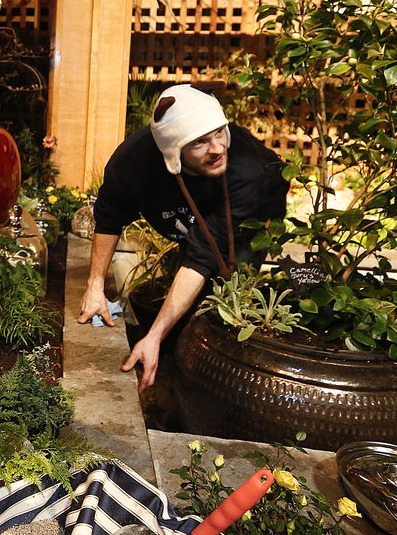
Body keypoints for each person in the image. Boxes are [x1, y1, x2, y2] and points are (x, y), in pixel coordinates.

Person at [77, 84, 287, 390]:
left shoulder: (247, 170)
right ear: (173, 151)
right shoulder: (132, 163)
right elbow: (109, 218)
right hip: (188, 210)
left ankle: (216, 375)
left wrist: (155, 336)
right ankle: (170, 362)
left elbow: (202, 258)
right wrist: (95, 285)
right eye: (200, 142)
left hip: (252, 212)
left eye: (219, 133)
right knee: (189, 266)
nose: (217, 148)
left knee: (227, 286)